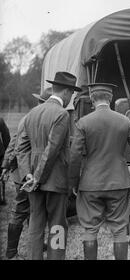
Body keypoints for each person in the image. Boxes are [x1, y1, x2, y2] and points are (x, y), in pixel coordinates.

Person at [69, 83, 130, 260]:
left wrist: (73, 183)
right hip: (119, 182)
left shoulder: (83, 123)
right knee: (120, 230)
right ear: (110, 98)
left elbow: (74, 156)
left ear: (92, 98)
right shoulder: (124, 121)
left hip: (90, 184)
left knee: (90, 230)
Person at [16, 71, 81, 260]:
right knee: (57, 225)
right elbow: (52, 150)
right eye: (72, 93)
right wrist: (38, 177)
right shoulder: (61, 114)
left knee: (36, 224)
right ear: (67, 92)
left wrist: (28, 175)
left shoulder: (32, 113)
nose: (72, 98)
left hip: (32, 182)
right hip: (55, 180)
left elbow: (22, 149)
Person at [1, 88, 52, 259]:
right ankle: (11, 252)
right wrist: (7, 165)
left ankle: (36, 243)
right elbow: (15, 145)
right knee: (21, 209)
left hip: (29, 172)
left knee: (34, 208)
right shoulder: (30, 119)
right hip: (24, 173)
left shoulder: (32, 117)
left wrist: (6, 165)